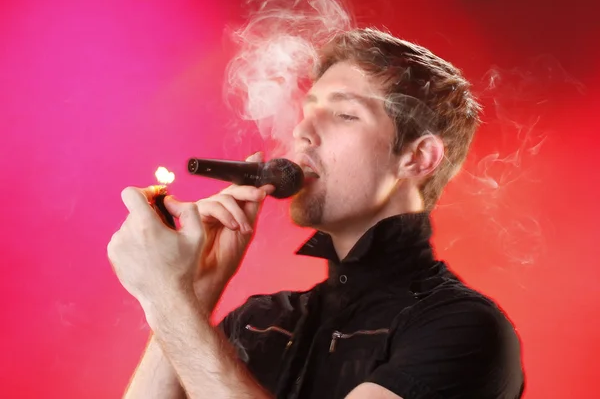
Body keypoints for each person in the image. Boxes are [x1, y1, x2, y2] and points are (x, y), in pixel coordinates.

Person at [108, 28, 525, 399]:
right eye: (308, 112)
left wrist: (167, 299)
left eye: (345, 114)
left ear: (418, 157)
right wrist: (196, 292)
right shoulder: (259, 322)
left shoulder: (461, 329)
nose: (301, 132)